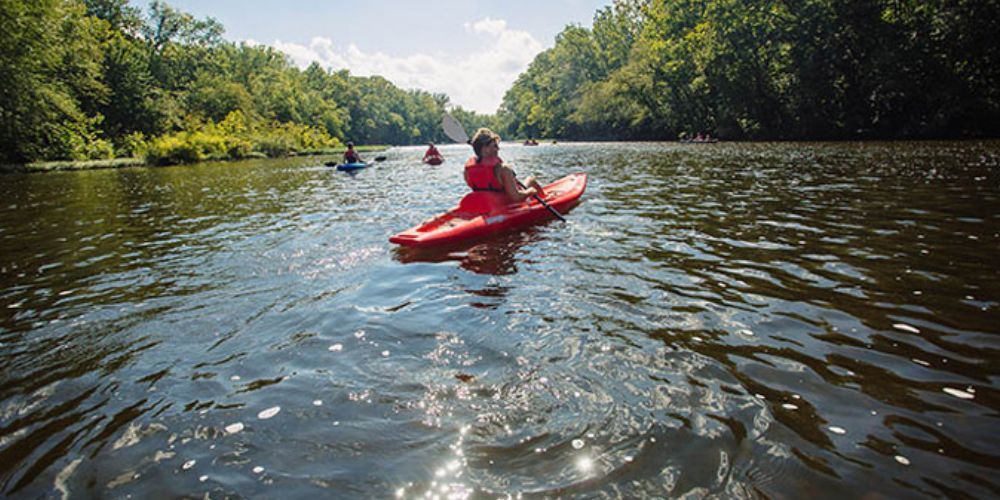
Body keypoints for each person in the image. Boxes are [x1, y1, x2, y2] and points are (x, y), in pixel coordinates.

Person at [465, 128, 544, 203]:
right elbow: (516, 198)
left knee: (528, 181)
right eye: (495, 146)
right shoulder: (504, 169)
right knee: (531, 180)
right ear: (485, 148)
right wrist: (530, 191)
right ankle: (546, 201)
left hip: (488, 204)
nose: (498, 149)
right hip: (506, 204)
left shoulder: (467, 171)